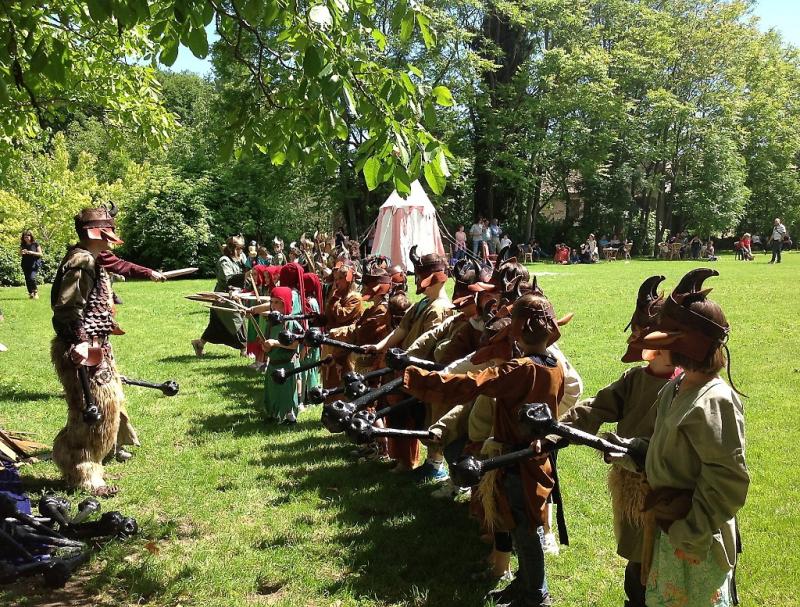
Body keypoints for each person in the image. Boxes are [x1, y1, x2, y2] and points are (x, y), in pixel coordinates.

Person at [402, 293, 569, 607]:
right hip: (528, 460)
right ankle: (523, 585)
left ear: (517, 332)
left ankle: (536, 595)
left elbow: (470, 384)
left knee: (525, 532)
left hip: (518, 462)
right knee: (520, 527)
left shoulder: (520, 369)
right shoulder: (555, 365)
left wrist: (417, 379)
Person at [606, 269, 748, 607]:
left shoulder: (715, 400)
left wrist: (690, 534)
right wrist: (630, 450)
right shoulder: (676, 386)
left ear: (692, 343)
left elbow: (727, 480)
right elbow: (663, 447)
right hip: (668, 533)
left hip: (695, 540)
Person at [558, 276, 677, 606]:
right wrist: (556, 429)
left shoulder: (687, 389)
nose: (637, 338)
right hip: (632, 487)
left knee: (664, 568)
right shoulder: (635, 378)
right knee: (637, 565)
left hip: (667, 492)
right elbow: (596, 407)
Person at [49, 206, 130, 494]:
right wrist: (81, 343)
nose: (110, 240)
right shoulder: (82, 261)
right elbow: (66, 308)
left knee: (108, 406)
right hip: (82, 347)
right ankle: (84, 473)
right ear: (93, 234)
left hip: (95, 345)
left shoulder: (90, 258)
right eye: (106, 235)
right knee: (91, 412)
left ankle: (80, 459)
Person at [363, 249, 453, 473]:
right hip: (407, 367)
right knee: (406, 416)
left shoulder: (440, 308)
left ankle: (435, 465)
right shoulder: (422, 303)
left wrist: (411, 363)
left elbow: (430, 345)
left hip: (426, 373)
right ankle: (404, 460)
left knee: (430, 419)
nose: (417, 280)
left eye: (421, 275)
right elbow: (402, 329)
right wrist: (380, 346)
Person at [192, 236, 248, 357]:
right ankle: (245, 349)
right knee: (237, 319)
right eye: (240, 248)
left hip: (237, 294)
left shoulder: (241, 257)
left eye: (242, 248)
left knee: (216, 326)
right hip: (224, 296)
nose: (242, 250)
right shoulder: (224, 260)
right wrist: (245, 275)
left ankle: (199, 343)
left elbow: (246, 268)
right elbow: (229, 279)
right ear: (233, 248)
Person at [258, 287, 302, 424]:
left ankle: (289, 416)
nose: (274, 306)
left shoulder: (291, 322)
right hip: (273, 363)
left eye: (278, 302)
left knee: (286, 393)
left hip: (287, 364)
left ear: (286, 303)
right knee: (272, 392)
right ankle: (273, 413)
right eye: (272, 302)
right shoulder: (270, 323)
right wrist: (265, 347)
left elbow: (294, 345)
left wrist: (276, 343)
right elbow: (267, 344)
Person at [19, 230, 43, 299]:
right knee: (27, 279)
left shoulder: (36, 244)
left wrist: (31, 252)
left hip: (34, 263)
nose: (26, 238)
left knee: (32, 278)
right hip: (25, 263)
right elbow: (19, 253)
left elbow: (40, 254)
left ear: (31, 237)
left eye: (27, 237)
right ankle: (31, 293)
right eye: (25, 237)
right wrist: (22, 252)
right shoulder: (23, 245)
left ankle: (35, 292)